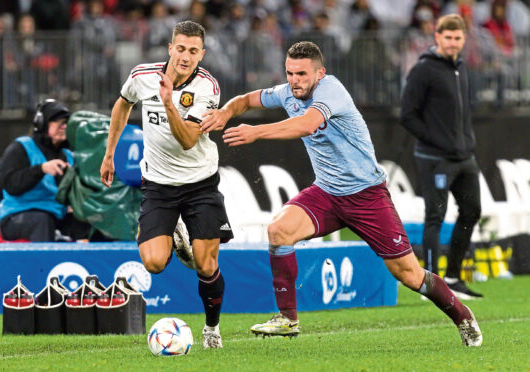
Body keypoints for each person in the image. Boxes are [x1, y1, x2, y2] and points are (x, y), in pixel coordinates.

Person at [200, 41, 482, 347]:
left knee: (409, 274)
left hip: (367, 196)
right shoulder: (287, 92)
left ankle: (462, 316)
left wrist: (256, 132)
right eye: (290, 73)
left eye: (302, 74)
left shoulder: (331, 91)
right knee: (279, 230)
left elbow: (308, 125)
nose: (294, 80)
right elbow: (245, 100)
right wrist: (226, 112)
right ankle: (287, 319)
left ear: (320, 73)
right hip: (327, 194)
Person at [100, 20, 233, 349]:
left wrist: (169, 103)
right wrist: (109, 154)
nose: (185, 56)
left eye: (193, 51)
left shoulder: (207, 88)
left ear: (201, 54)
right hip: (158, 185)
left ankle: (212, 328)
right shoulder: (142, 76)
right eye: (180, 48)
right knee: (154, 263)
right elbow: (122, 104)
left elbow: (188, 139)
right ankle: (173, 232)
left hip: (199, 183)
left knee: (206, 264)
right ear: (170, 48)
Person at [400, 14, 483, 300]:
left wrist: (464, 141)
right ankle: (432, 285)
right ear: (437, 37)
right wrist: (437, 140)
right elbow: (407, 115)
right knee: (435, 216)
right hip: (434, 158)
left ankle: (454, 277)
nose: (452, 42)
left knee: (472, 211)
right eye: (447, 37)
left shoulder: (460, 67)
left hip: (463, 156)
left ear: (463, 40)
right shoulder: (424, 69)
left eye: (457, 38)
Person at [0, 99, 76, 241]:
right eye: (58, 122)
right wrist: (41, 169)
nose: (64, 126)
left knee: (88, 222)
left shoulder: (68, 155)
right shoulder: (21, 147)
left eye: (66, 123)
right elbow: (11, 185)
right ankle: (43, 263)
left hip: (55, 214)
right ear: (41, 124)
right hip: (17, 215)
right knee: (42, 220)